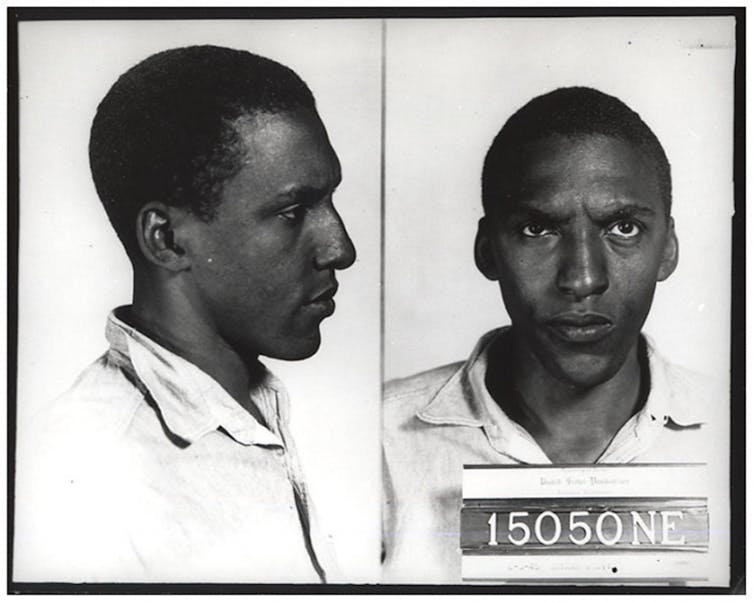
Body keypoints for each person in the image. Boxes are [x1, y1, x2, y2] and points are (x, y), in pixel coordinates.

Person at [14, 45, 355, 583]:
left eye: (331, 200)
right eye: (292, 213)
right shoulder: (83, 473)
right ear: (167, 239)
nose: (340, 248)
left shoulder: (258, 407)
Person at [382, 87, 726, 583]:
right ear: (487, 250)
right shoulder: (375, 442)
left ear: (668, 248)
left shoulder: (740, 433)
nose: (583, 279)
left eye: (623, 227)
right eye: (538, 230)